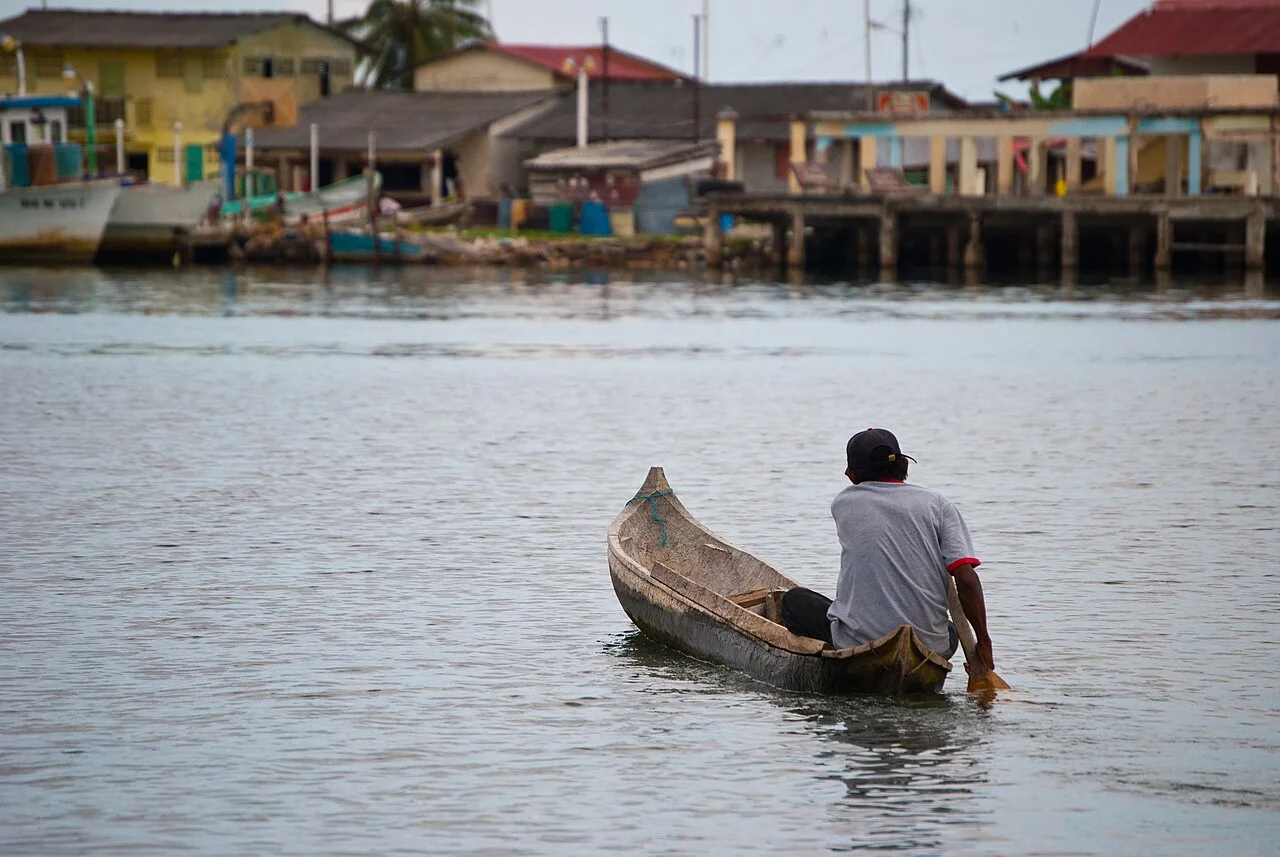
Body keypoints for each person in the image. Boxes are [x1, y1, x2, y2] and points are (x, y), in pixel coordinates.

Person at [780, 428, 996, 675]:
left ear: (851, 474)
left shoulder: (843, 503)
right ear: (904, 464)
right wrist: (984, 641)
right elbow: (966, 578)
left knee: (793, 601)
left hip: (857, 639)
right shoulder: (938, 504)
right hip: (930, 643)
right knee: (948, 629)